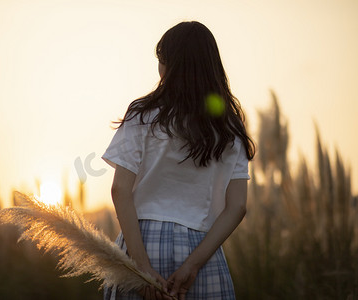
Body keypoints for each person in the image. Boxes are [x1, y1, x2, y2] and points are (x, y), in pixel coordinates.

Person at [102, 21, 255, 300]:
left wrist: (141, 267)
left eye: (162, 60)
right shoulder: (230, 126)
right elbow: (238, 206)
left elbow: (119, 190)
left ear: (170, 65)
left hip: (141, 243)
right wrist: (193, 265)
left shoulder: (143, 113)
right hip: (202, 250)